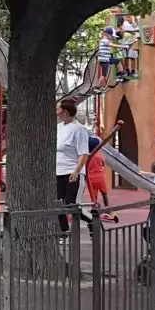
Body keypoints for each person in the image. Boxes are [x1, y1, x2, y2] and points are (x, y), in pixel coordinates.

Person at [53, 98, 90, 228]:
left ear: (66, 112)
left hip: (72, 172)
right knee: (58, 204)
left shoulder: (79, 129)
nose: (56, 112)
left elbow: (83, 153)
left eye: (58, 109)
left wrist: (76, 172)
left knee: (70, 205)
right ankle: (64, 232)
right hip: (58, 172)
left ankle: (92, 220)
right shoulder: (58, 127)